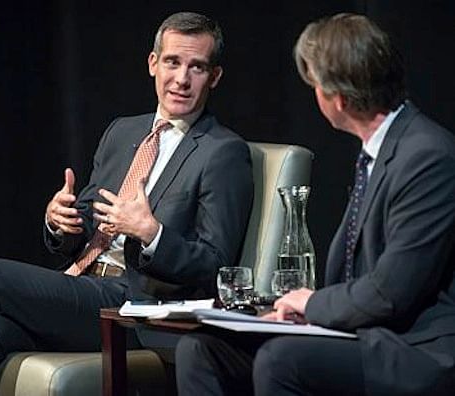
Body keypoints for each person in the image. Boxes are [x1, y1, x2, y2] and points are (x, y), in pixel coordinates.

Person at [0, 11, 253, 395]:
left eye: (197, 67)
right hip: (82, 286)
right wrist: (61, 222)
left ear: (215, 77)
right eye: (172, 62)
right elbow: (85, 223)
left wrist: (152, 233)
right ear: (153, 64)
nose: (182, 79)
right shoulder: (123, 131)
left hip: (135, 307)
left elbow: (217, 261)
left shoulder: (223, 152)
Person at [176, 13, 455, 396]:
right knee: (202, 350)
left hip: (410, 349)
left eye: (315, 86)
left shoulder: (426, 156)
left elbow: (391, 292)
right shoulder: (382, 151)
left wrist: (314, 304)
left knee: (282, 361)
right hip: (360, 330)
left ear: (337, 97)